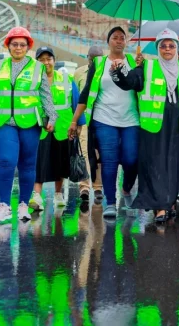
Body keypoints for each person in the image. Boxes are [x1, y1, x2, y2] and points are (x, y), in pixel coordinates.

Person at [112, 28, 179, 223]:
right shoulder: (146, 68)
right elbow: (128, 82)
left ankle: (169, 201)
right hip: (153, 126)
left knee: (174, 166)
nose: (167, 49)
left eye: (171, 45)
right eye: (163, 46)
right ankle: (159, 208)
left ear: (177, 49)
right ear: (158, 49)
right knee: (154, 165)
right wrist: (118, 70)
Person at [0, 26, 58, 223]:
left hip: (30, 122)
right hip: (5, 121)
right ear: (8, 46)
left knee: (28, 164)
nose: (18, 47)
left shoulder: (38, 68)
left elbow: (45, 96)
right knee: (6, 161)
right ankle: (4, 206)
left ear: (28, 47)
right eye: (14, 44)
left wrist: (52, 118)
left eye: (22, 44)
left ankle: (23, 205)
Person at [69, 27, 140, 219]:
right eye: (115, 38)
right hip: (104, 119)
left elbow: (140, 86)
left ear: (126, 42)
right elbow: (85, 93)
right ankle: (110, 202)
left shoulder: (135, 62)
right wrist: (74, 121)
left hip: (131, 120)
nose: (118, 41)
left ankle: (126, 188)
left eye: (122, 38)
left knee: (131, 159)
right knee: (108, 161)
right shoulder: (99, 63)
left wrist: (141, 67)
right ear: (108, 42)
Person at [30, 47, 86, 211]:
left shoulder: (67, 79)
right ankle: (37, 196)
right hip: (41, 126)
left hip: (64, 126)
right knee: (39, 161)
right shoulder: (33, 80)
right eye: (42, 59)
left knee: (61, 161)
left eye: (49, 59)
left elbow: (76, 102)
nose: (46, 62)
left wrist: (79, 124)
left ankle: (58, 193)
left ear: (54, 60)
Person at [73, 45, 104, 200]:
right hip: (84, 120)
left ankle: (98, 187)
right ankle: (84, 187)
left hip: (103, 119)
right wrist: (75, 121)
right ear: (88, 58)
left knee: (99, 154)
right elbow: (76, 98)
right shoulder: (79, 73)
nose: (95, 62)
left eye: (98, 59)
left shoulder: (107, 71)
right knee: (84, 153)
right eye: (92, 59)